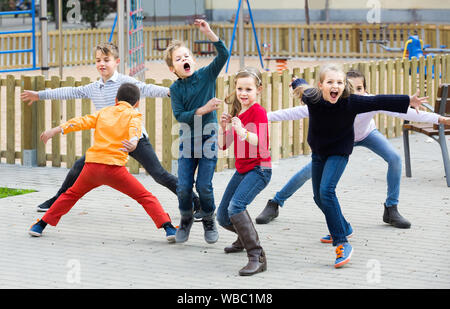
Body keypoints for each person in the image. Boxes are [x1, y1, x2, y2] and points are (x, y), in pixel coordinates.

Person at [256, 70, 450, 234]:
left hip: (367, 135)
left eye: (360, 88)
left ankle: (391, 208)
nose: (357, 92)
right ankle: (276, 202)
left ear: (365, 89)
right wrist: (264, 117)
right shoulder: (332, 104)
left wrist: (439, 119)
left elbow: (403, 111)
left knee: (395, 158)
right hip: (340, 142)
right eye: (352, 88)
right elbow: (294, 112)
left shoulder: (367, 102)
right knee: (308, 172)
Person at [20, 41, 201, 215]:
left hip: (134, 138)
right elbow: (68, 91)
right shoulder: (94, 87)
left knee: (159, 174)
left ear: (116, 62)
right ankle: (57, 200)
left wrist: (172, 91)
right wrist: (39, 95)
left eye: (106, 60)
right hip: (109, 143)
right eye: (98, 60)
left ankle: (195, 201)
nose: (102, 64)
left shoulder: (126, 82)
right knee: (78, 166)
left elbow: (148, 89)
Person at [279, 64, 427, 268]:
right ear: (321, 85)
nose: (335, 86)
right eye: (330, 82)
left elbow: (378, 100)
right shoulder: (312, 98)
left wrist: (407, 100)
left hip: (339, 151)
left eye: (339, 83)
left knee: (326, 192)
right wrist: (296, 81)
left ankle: (342, 243)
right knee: (317, 197)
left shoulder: (352, 102)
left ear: (344, 86)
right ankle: (344, 227)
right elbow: (303, 87)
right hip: (319, 153)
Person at [28, 83, 177, 242]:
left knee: (69, 195)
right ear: (137, 103)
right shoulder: (134, 114)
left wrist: (55, 130)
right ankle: (168, 228)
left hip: (91, 168)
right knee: (145, 197)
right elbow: (135, 129)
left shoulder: (103, 112)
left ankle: (40, 225)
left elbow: (80, 122)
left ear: (115, 99)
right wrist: (133, 142)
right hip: (114, 170)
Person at [163, 19, 229, 244]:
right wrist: (203, 109)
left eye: (187, 56)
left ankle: (209, 218)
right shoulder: (175, 89)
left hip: (209, 137)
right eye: (178, 59)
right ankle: (186, 218)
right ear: (173, 69)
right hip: (188, 141)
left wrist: (209, 31)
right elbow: (180, 116)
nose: (184, 60)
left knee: (204, 186)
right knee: (183, 186)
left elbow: (223, 55)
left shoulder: (207, 75)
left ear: (193, 59)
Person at [216, 67, 271, 276]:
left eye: (248, 89)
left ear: (259, 90)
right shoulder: (238, 113)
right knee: (222, 216)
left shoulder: (258, 112)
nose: (243, 93)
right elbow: (223, 145)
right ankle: (243, 238)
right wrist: (224, 128)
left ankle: (257, 256)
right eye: (240, 88)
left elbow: (261, 142)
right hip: (242, 170)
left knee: (236, 206)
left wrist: (242, 131)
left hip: (260, 169)